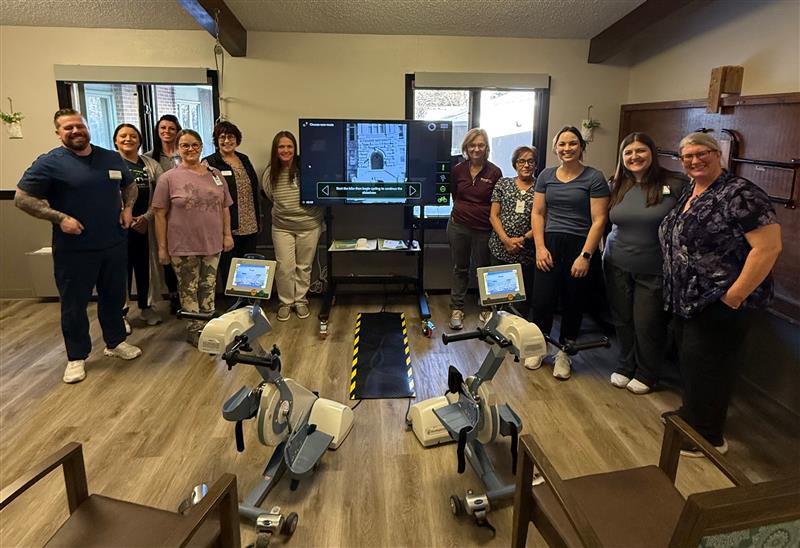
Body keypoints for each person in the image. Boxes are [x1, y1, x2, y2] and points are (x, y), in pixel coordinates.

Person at [659, 132, 781, 457]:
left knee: (712, 368)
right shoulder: (693, 190)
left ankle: (708, 438)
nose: (695, 161)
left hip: (720, 300)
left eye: (702, 154)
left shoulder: (741, 194)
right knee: (693, 364)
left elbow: (768, 248)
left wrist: (734, 296)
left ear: (718, 154)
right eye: (688, 156)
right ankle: (692, 416)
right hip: (687, 299)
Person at [15, 109, 142, 384]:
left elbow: (130, 185)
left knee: (113, 297)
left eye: (79, 126)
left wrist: (128, 208)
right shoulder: (50, 163)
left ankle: (115, 342)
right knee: (74, 305)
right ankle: (77, 357)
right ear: (58, 132)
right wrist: (60, 218)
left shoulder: (110, 157)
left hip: (113, 242)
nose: (75, 132)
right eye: (68, 128)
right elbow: (22, 199)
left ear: (87, 128)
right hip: (74, 249)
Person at [603, 133, 687, 394]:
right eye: (628, 152)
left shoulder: (675, 182)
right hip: (616, 261)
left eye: (640, 150)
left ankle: (647, 372)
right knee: (622, 319)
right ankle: (626, 365)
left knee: (647, 322)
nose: (634, 156)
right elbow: (606, 221)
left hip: (653, 267)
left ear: (652, 152)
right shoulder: (617, 183)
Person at [530, 126, 609, 379]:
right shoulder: (546, 175)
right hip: (550, 243)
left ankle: (565, 352)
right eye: (562, 144)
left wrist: (585, 256)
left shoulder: (594, 178)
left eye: (573, 143)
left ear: (581, 147)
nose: (567, 149)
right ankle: (540, 347)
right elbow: (538, 213)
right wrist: (540, 247)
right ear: (555, 148)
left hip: (580, 245)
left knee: (574, 302)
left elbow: (599, 220)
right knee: (542, 301)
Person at [152, 129, 234, 345]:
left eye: (195, 145)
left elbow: (225, 207)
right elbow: (159, 215)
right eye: (185, 145)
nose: (190, 149)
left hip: (212, 242)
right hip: (182, 245)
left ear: (201, 147)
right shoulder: (168, 178)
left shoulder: (215, 174)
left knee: (208, 285)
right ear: (178, 148)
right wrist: (162, 248)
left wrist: (227, 235)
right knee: (188, 288)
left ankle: (209, 326)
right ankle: (194, 329)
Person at [261, 131, 323, 321]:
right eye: (281, 146)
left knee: (304, 267)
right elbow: (271, 196)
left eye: (289, 146)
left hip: (309, 225)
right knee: (285, 267)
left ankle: (301, 301)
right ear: (275, 149)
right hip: (282, 227)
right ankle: (285, 302)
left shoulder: (306, 168)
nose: (285, 150)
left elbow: (318, 192)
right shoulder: (270, 172)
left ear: (295, 149)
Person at [447, 128, 502, 330]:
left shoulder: (495, 172)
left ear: (486, 148)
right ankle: (457, 309)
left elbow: (497, 202)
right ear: (466, 148)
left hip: (484, 229)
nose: (476, 149)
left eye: (480, 145)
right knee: (460, 268)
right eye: (472, 145)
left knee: (484, 270)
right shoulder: (457, 170)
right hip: (458, 226)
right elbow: (455, 195)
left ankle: (487, 309)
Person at [113, 123, 166, 328]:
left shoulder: (150, 165)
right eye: (123, 136)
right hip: (117, 227)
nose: (128, 139)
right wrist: (120, 216)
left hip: (145, 225)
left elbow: (162, 194)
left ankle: (146, 306)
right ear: (116, 140)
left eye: (133, 136)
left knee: (145, 267)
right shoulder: (109, 164)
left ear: (140, 140)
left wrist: (146, 217)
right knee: (119, 269)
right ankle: (121, 312)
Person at [202, 121, 261, 287]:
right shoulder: (209, 163)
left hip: (250, 224)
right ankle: (233, 307)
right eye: (222, 137)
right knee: (229, 268)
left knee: (249, 268)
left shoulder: (244, 159)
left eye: (231, 137)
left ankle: (247, 303)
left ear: (237, 139)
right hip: (226, 227)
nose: (227, 141)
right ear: (216, 140)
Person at [488, 145, 537, 339]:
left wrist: (522, 239)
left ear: (535, 164)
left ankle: (517, 334)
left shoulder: (541, 187)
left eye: (530, 161)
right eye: (521, 161)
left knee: (521, 298)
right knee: (498, 293)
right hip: (500, 247)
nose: (526, 165)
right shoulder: (503, 183)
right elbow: (494, 215)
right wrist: (506, 240)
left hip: (526, 250)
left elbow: (544, 218)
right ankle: (497, 329)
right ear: (515, 163)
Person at [144, 114, 182, 313]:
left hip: (183, 214)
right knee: (165, 252)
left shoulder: (184, 153)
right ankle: (173, 295)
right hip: (160, 213)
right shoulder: (149, 158)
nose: (167, 132)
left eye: (171, 128)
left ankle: (187, 294)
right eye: (163, 128)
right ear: (157, 131)